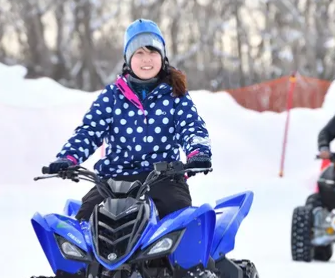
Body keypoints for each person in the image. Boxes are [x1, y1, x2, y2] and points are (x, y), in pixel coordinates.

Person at [46, 18, 212, 223]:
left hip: (164, 179)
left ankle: (185, 256)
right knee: (85, 219)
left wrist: (198, 152)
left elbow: (191, 126)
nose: (146, 59)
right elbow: (89, 131)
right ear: (128, 58)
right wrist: (68, 158)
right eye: (139, 53)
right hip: (114, 180)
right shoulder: (112, 96)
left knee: (179, 219)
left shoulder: (175, 95)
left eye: (152, 52)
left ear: (162, 57)